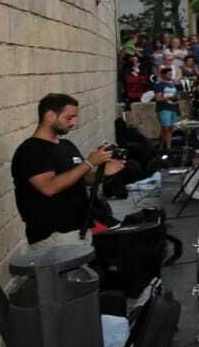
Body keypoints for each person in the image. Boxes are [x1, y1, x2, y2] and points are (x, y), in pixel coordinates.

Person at [11, 94, 124, 249]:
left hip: (80, 230)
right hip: (54, 236)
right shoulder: (31, 150)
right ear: (50, 116)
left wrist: (103, 172)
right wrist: (89, 162)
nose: (74, 123)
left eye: (75, 118)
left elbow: (80, 178)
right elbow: (48, 187)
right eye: (69, 118)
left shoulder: (67, 145)